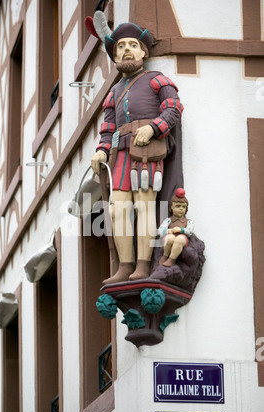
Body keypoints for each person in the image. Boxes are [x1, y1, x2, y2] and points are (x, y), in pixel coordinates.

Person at [91, 19, 184, 284]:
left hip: (146, 151)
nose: (127, 50)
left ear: (144, 52)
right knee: (118, 209)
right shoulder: (114, 92)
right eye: (121, 46)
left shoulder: (157, 80)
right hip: (120, 153)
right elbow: (108, 128)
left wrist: (154, 128)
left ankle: (143, 265)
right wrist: (101, 151)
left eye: (133, 45)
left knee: (144, 207)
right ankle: (125, 265)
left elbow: (173, 108)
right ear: (115, 54)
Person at [157, 188, 193, 267]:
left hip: (182, 238)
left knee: (179, 239)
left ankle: (171, 259)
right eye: (178, 206)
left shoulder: (188, 221)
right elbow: (160, 231)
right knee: (170, 238)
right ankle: (165, 256)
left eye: (183, 207)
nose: (181, 209)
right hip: (171, 236)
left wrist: (181, 229)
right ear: (172, 207)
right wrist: (168, 231)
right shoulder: (168, 220)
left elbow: (190, 231)